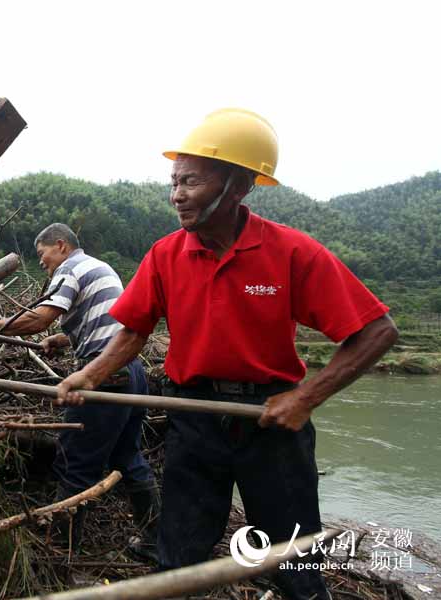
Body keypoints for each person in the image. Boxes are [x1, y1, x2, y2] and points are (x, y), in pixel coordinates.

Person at [55, 108, 399, 599]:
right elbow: (132, 332)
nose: (176, 195)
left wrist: (304, 399)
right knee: (178, 560)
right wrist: (87, 376)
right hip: (194, 419)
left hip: (272, 423)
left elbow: (376, 332)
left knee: (297, 563)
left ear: (238, 186)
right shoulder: (166, 254)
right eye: (173, 182)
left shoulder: (291, 252)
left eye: (190, 181)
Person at [0, 223, 159, 556]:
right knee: (128, 457)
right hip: (131, 371)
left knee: (74, 462)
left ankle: (61, 555)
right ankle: (155, 540)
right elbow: (106, 322)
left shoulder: (69, 268)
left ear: (62, 246)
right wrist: (65, 339)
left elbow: (40, 319)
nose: (42, 262)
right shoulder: (99, 267)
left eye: (43, 253)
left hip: (105, 375)